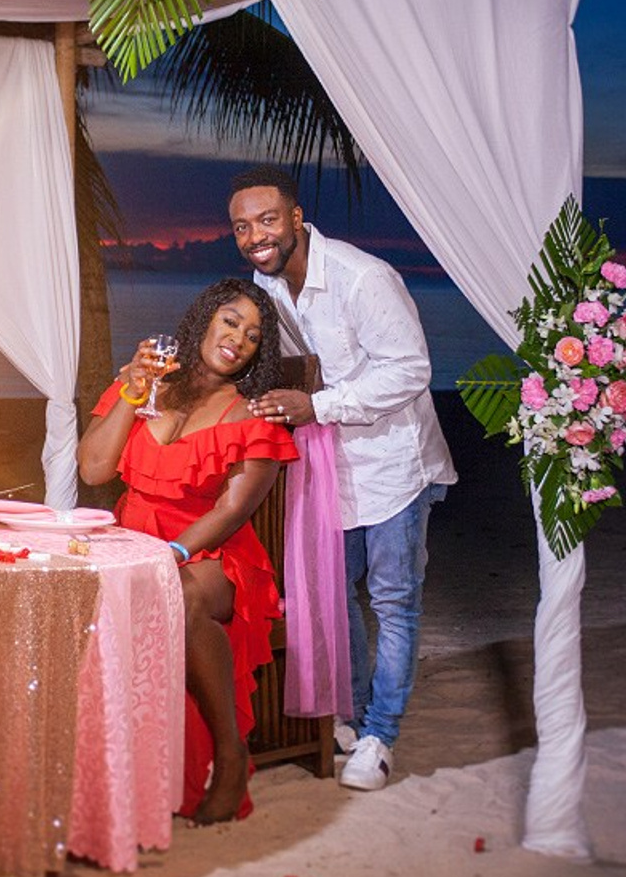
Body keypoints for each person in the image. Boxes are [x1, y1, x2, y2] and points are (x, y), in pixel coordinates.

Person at [227, 164, 456, 791]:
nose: (256, 236)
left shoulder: (363, 279)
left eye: (267, 220)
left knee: (392, 600)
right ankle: (350, 717)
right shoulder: (265, 285)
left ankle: (381, 735)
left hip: (392, 465)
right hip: (328, 468)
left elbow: (410, 369)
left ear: (297, 219)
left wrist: (318, 407)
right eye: (243, 227)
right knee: (331, 594)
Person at [77, 278, 297, 824]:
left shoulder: (249, 415)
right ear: (204, 319)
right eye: (230, 321)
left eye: (252, 335)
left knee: (177, 595)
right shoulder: (149, 384)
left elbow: (230, 513)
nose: (238, 339)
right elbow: (94, 469)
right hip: (130, 541)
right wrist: (132, 389)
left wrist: (170, 553)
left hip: (211, 557)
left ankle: (229, 750)